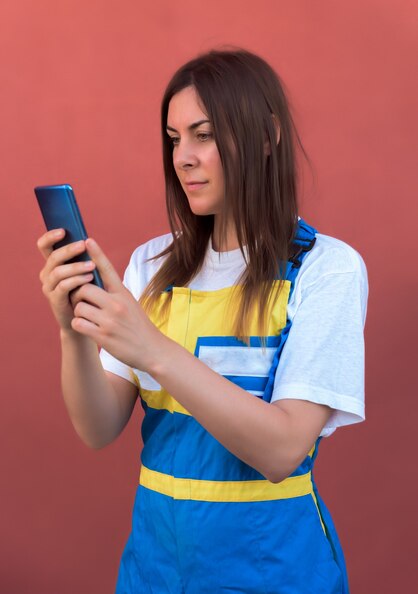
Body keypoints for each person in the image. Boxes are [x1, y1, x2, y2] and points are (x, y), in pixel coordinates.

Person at [37, 49, 368, 594]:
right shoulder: (152, 265)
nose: (182, 157)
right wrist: (72, 334)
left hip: (275, 574)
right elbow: (97, 430)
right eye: (174, 138)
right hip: (155, 572)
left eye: (204, 134)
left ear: (267, 137)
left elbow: (283, 450)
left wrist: (154, 350)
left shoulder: (327, 269)